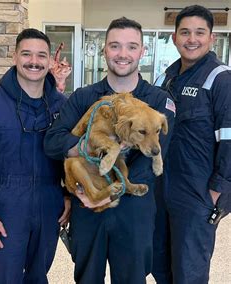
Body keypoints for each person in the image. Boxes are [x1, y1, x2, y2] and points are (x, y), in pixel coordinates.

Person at [44, 17, 175, 283]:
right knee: (87, 278)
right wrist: (84, 156)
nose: (123, 54)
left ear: (142, 51)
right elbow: (52, 142)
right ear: (104, 50)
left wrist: (117, 187)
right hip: (87, 205)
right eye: (115, 46)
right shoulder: (83, 97)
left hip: (134, 210)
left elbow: (156, 160)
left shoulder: (159, 102)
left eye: (131, 47)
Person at [0, 28, 70, 283]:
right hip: (6, 205)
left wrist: (68, 196)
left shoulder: (61, 106)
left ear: (50, 61)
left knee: (39, 275)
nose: (34, 61)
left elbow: (70, 158)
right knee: (3, 275)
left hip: (49, 203)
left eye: (41, 56)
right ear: (14, 57)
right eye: (26, 54)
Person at [152, 5, 231, 284]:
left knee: (189, 270)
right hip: (162, 187)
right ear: (174, 38)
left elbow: (230, 140)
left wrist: (217, 191)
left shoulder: (220, 79)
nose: (191, 39)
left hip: (197, 192)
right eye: (185, 32)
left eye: (200, 32)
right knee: (160, 262)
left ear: (212, 38)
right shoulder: (167, 77)